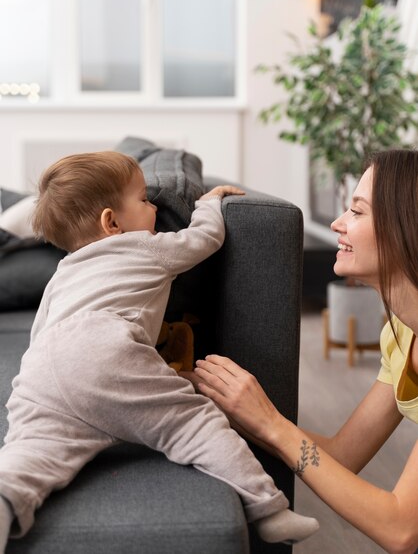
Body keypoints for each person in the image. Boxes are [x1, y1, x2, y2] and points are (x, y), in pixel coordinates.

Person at [0, 151, 319, 552]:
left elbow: (41, 330)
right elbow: (205, 239)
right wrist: (207, 204)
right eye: (145, 200)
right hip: (104, 349)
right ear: (111, 222)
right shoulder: (147, 247)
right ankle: (268, 509)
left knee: (33, 452)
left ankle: (6, 499)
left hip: (40, 370)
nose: (154, 206)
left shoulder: (63, 272)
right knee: (192, 422)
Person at [194, 149, 418, 554]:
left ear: (407, 227)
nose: (338, 223)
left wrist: (273, 425)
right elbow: (343, 455)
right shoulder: (401, 333)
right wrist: (237, 410)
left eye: (357, 211)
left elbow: (400, 529)